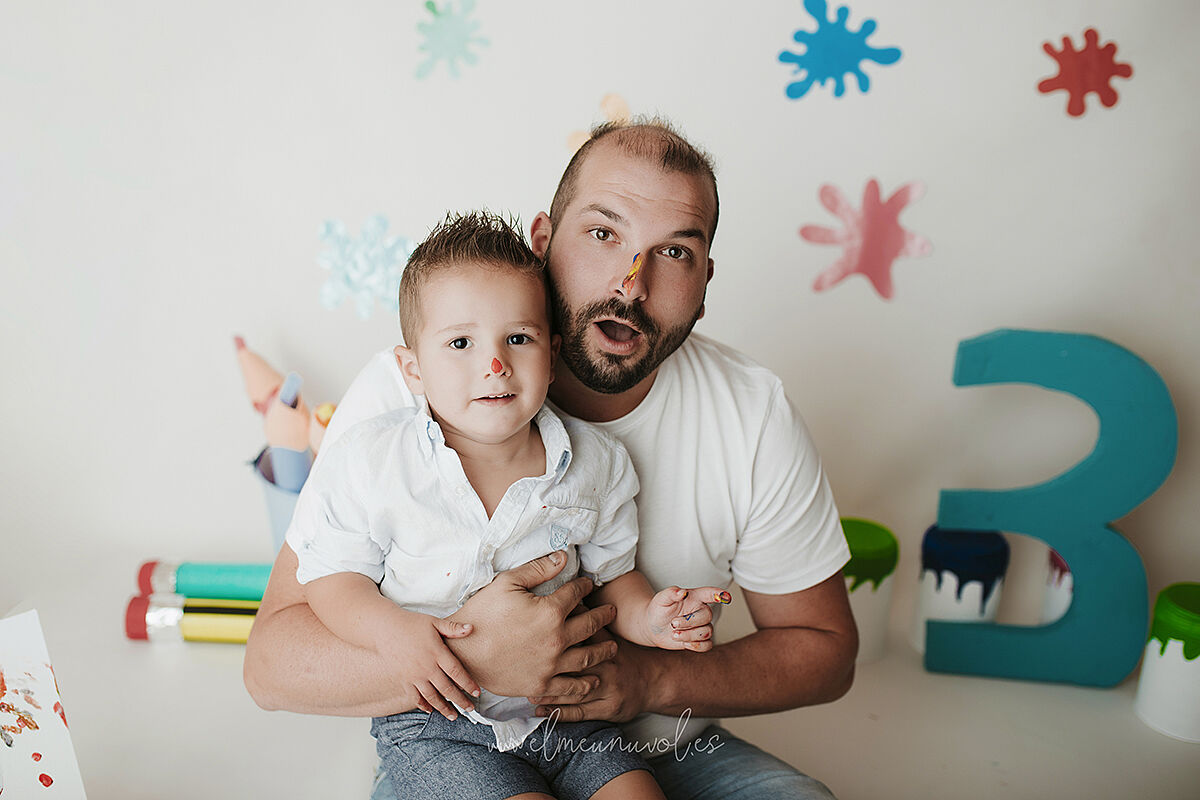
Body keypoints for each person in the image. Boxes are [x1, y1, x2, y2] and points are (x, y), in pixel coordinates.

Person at [245, 117, 858, 800]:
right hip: (449, 740)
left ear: (706, 281)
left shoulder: (738, 415)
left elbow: (825, 650)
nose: (632, 284)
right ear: (544, 243)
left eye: (675, 253)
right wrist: (480, 658)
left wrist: (649, 677)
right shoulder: (406, 400)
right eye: (603, 234)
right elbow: (271, 665)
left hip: (653, 745)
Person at [288, 210, 729, 800]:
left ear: (551, 352)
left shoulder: (596, 464)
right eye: (461, 343)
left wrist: (652, 619)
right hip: (438, 723)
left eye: (517, 339)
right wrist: (397, 636)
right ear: (412, 369)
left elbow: (615, 580)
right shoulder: (373, 462)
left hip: (569, 710)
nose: (494, 364)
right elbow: (331, 578)